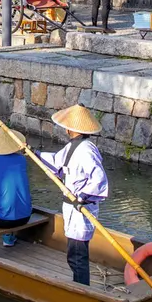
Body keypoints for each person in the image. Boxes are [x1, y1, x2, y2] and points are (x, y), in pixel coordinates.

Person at [39, 105, 109, 285]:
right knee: (75, 254)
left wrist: (83, 197)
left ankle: (82, 290)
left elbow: (99, 179)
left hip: (81, 208)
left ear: (71, 128)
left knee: (77, 255)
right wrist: (34, 153)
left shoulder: (86, 151)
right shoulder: (73, 146)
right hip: (72, 207)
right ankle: (80, 286)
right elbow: (56, 162)